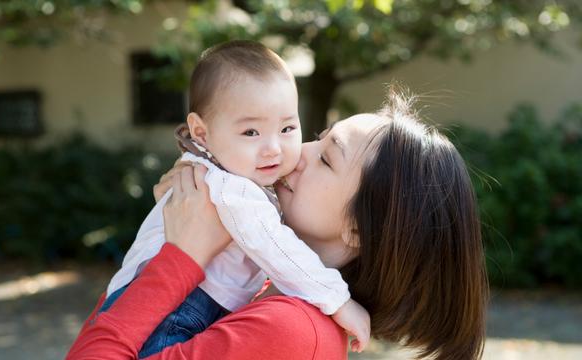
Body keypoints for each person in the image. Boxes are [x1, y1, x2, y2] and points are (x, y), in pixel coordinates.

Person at [66, 87, 489, 360]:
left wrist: (180, 258)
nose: (297, 151)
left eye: (326, 158)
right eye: (317, 136)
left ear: (359, 229)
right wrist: (162, 238)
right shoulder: (262, 283)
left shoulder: (292, 331)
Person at [99, 40, 370, 358]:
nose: (274, 148)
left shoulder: (219, 169)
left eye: (287, 128)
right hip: (177, 308)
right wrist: (338, 299)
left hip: (160, 299)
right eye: (251, 133)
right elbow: (275, 245)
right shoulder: (233, 188)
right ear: (201, 133)